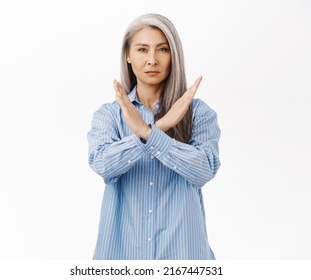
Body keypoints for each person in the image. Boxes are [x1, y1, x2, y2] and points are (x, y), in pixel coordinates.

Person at [87, 13, 221, 260]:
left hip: (184, 257)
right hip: (121, 257)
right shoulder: (108, 115)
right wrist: (155, 131)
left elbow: (204, 170)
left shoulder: (199, 113)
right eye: (141, 49)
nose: (152, 60)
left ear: (174, 56)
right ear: (128, 55)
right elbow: (103, 165)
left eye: (162, 49)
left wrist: (148, 132)